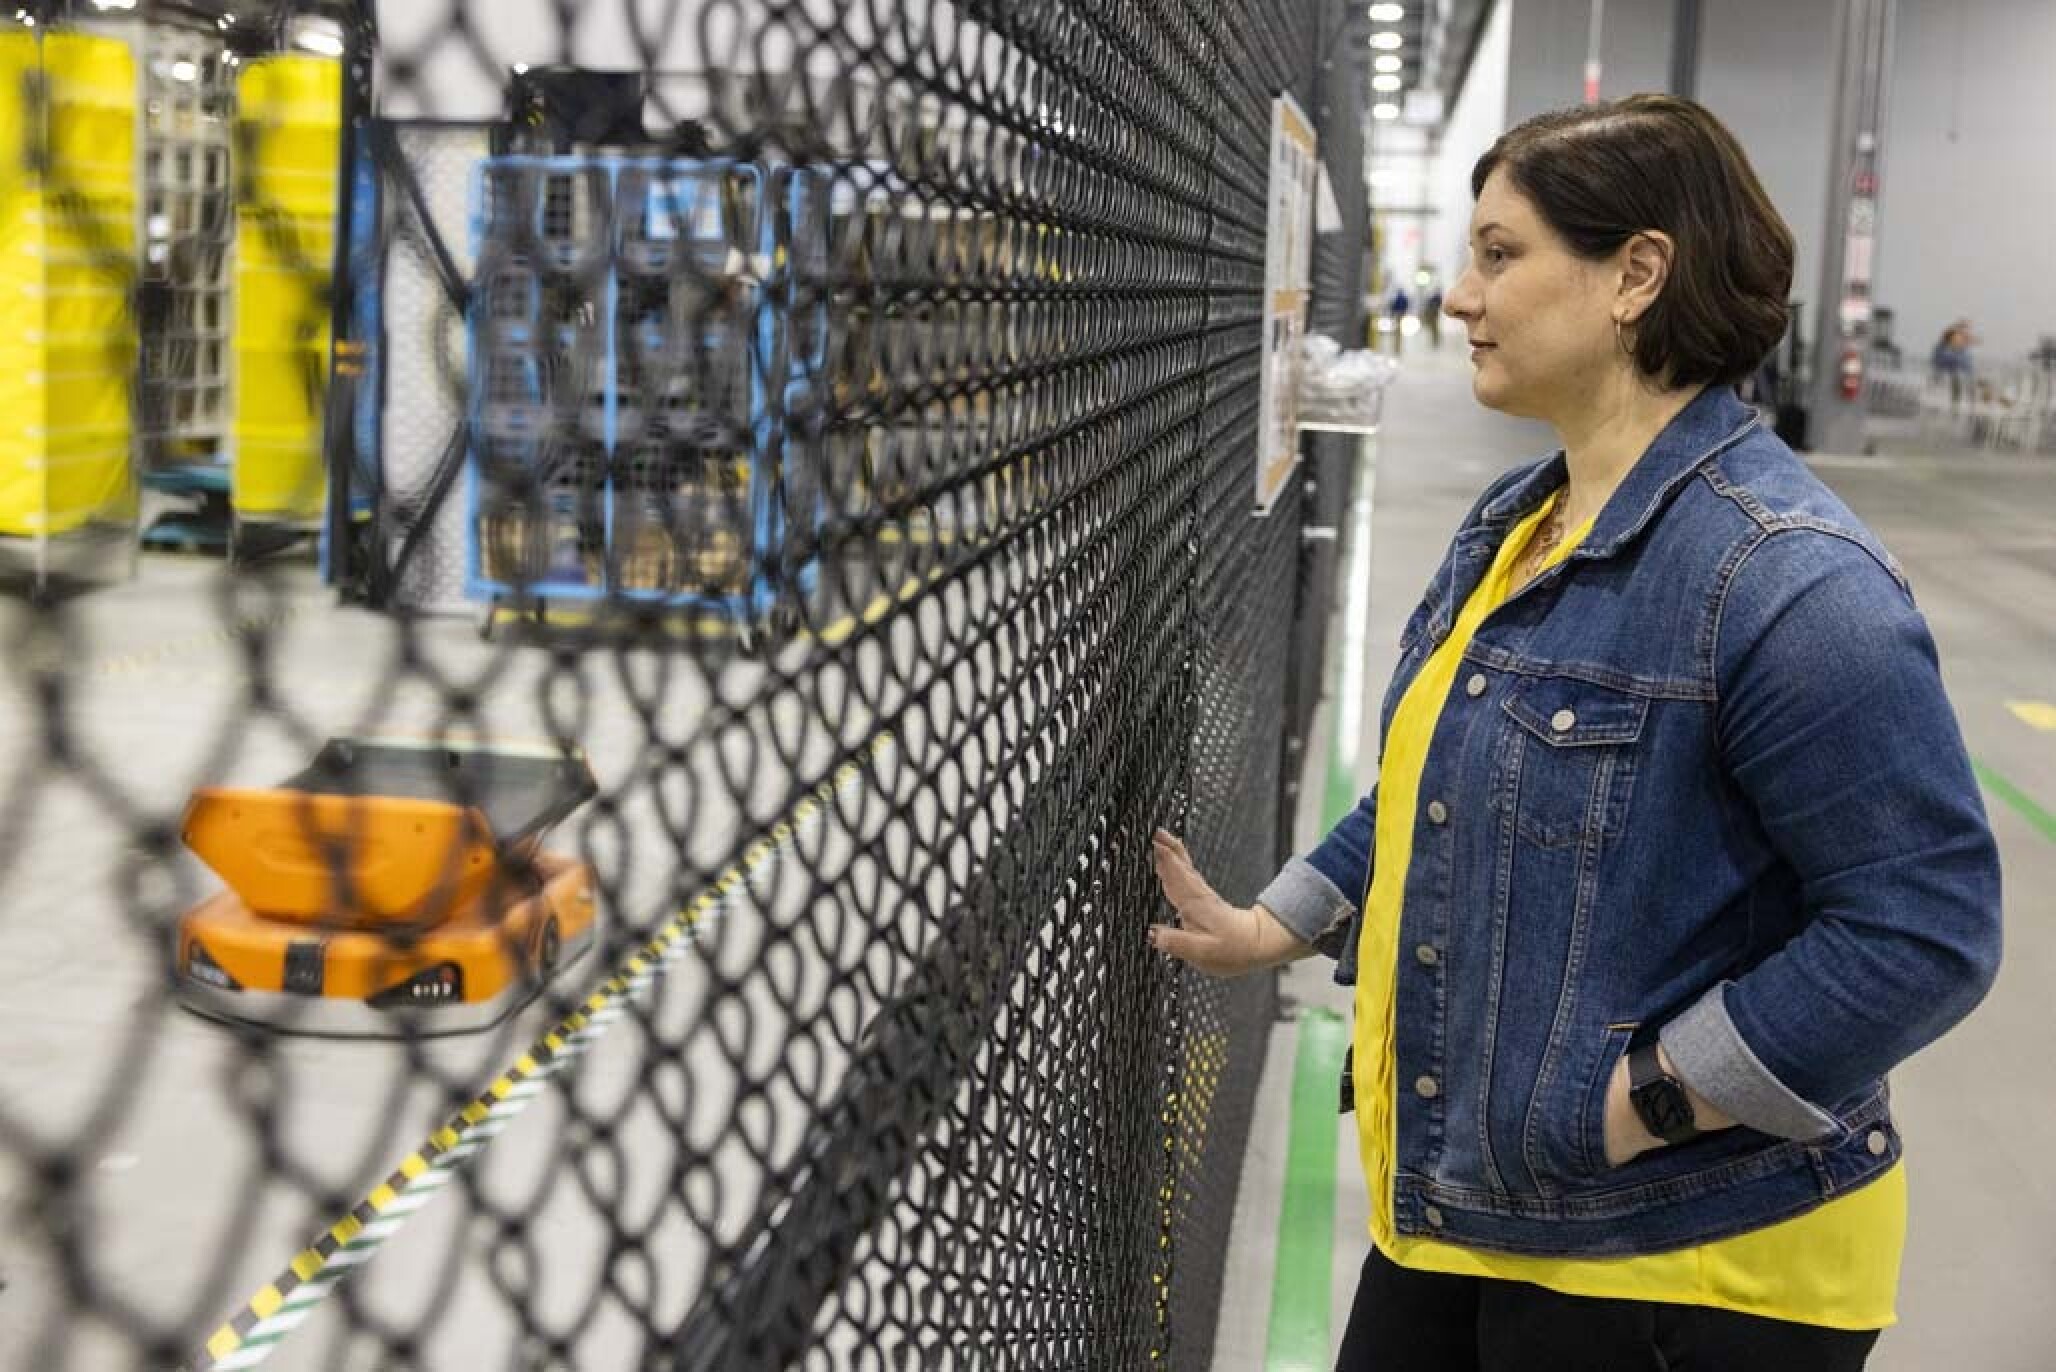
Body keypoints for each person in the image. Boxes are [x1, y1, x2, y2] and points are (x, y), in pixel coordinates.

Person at [1150, 94, 2000, 1372]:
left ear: (1634, 277)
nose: (1455, 296)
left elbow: (1924, 928)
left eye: (1499, 255)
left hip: (1685, 1269)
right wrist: (1277, 922)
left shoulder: (1785, 579)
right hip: (1473, 1210)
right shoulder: (1517, 517)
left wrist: (1642, 1101)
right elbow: (1432, 779)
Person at [1931, 318, 1975, 410]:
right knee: (1957, 381)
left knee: (1966, 383)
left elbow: (1967, 366)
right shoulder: (1945, 347)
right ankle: (1955, 407)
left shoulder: (1961, 349)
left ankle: (1961, 406)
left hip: (1957, 374)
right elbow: (1941, 360)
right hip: (1946, 372)